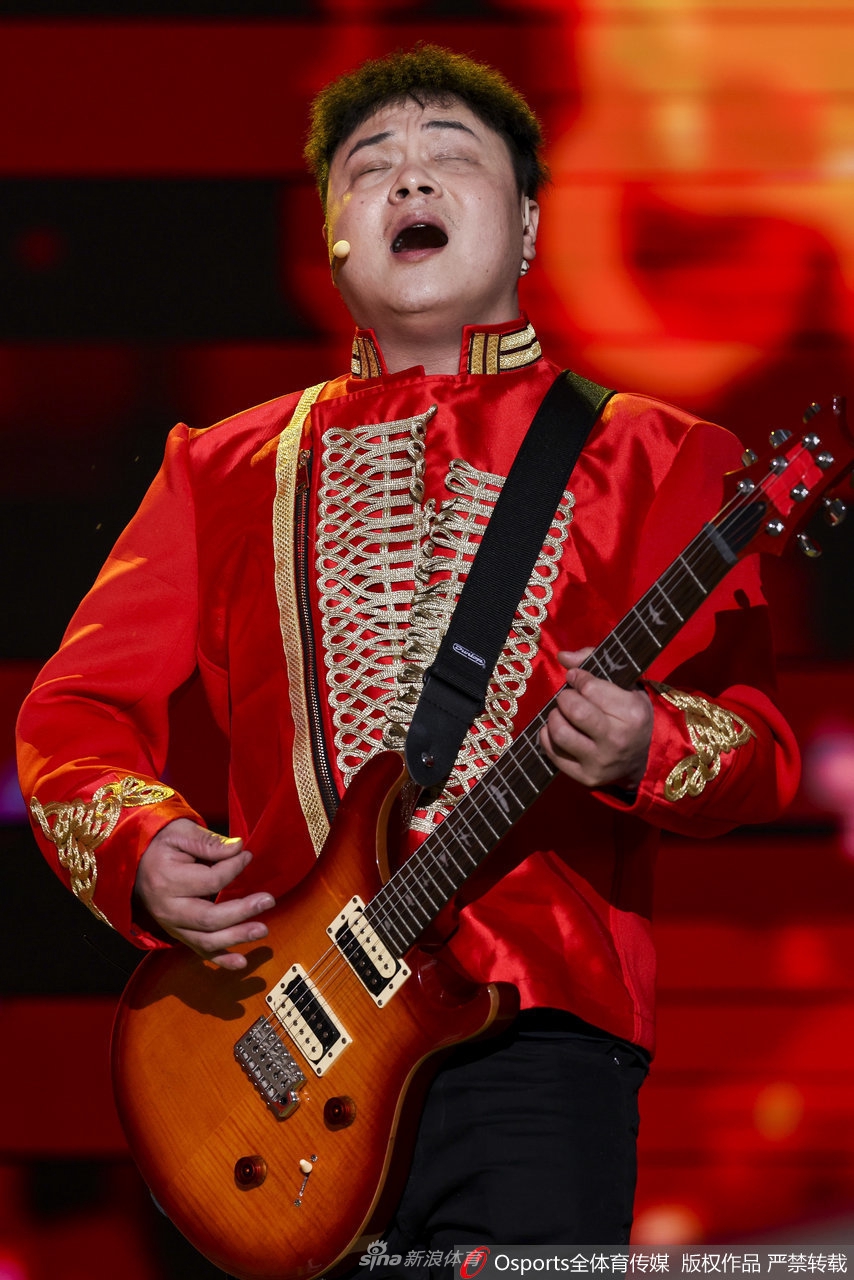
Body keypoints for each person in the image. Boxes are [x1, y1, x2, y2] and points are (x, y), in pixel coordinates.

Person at [17, 43, 799, 1264]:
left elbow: (764, 748)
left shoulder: (660, 458)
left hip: (535, 1030)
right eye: (370, 164)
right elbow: (71, 716)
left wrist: (647, 740)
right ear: (333, 238)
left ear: (528, 224)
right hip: (274, 1054)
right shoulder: (220, 468)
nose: (409, 179)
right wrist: (138, 844)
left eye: (451, 157)